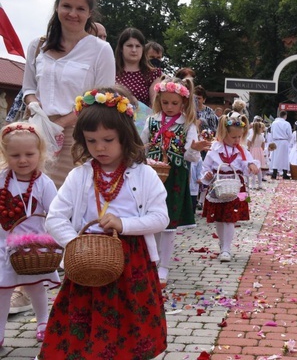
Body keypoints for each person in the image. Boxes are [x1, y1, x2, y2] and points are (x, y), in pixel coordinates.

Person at [40, 87, 168, 359]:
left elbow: (160, 218)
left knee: (129, 322)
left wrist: (124, 225)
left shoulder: (144, 175)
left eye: (108, 139)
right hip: (87, 261)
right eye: (91, 140)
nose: (100, 147)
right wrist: (76, 245)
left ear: (124, 136)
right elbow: (55, 217)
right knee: (84, 321)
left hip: (131, 261)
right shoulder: (79, 176)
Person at [22, 0, 115, 188]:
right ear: (57, 8)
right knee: (30, 196)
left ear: (89, 13)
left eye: (80, 8)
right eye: (67, 6)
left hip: (78, 136)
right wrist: (35, 107)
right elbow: (28, 88)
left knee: (66, 200)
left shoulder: (101, 50)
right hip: (37, 133)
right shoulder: (38, 46)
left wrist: (61, 124)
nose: (73, 13)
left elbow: (103, 98)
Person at [141, 77, 204, 286]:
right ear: (159, 100)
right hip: (151, 175)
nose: (169, 107)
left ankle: (164, 266)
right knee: (151, 221)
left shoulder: (187, 124)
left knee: (168, 224)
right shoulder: (151, 121)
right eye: (165, 102)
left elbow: (190, 157)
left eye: (174, 103)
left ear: (183, 103)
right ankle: (153, 261)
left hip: (175, 177)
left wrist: (195, 149)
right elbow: (142, 145)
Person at [0, 123, 59, 345]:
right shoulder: (2, 178)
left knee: (35, 286)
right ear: (5, 154)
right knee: (2, 289)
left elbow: (55, 213)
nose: (22, 160)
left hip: (31, 249)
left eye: (29, 154)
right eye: (15, 155)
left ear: (40, 153)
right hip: (3, 245)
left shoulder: (44, 183)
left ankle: (43, 321)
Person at [200, 112, 260, 262]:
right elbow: (205, 167)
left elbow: (247, 163)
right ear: (223, 133)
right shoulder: (214, 149)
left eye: (239, 137)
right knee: (219, 219)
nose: (237, 140)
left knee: (230, 219)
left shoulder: (242, 151)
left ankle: (227, 248)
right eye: (234, 137)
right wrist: (207, 175)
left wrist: (252, 166)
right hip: (218, 186)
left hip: (235, 187)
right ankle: (222, 243)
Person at [115, 28, 162, 107]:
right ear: (121, 48)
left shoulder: (153, 74)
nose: (134, 50)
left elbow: (155, 105)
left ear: (143, 49)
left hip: (142, 117)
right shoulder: (110, 70)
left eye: (138, 46)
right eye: (129, 46)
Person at [269, 111, 292, 179]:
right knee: (284, 157)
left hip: (276, 140)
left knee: (275, 157)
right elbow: (290, 134)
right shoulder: (286, 123)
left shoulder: (274, 123)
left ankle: (274, 172)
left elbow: (272, 132)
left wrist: (272, 140)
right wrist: (288, 141)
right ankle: (284, 173)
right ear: (285, 116)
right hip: (284, 141)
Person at [247, 120, 267, 189]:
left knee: (253, 169)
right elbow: (263, 146)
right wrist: (261, 150)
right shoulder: (261, 136)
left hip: (252, 151)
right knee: (259, 169)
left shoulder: (251, 136)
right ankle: (260, 184)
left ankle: (252, 184)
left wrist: (249, 150)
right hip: (259, 151)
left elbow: (248, 144)